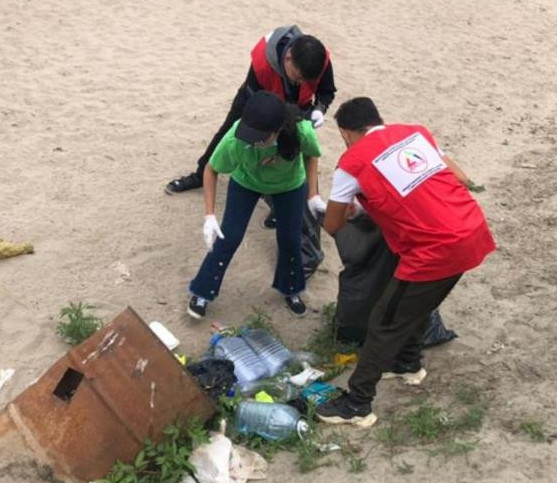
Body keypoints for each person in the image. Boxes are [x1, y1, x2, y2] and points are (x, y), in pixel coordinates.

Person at [315, 98, 496, 427]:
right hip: (471, 229)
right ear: (378, 120)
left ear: (345, 133)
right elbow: (459, 176)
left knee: (384, 320)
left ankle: (357, 403)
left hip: (435, 249)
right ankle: (408, 363)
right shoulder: (415, 134)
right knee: (417, 303)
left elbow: (332, 224)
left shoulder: (351, 163)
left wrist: (356, 210)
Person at [186, 91, 324, 319]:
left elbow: (311, 156)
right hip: (246, 182)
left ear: (278, 129)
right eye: (249, 134)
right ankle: (202, 292)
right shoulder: (236, 140)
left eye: (259, 137)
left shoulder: (301, 131)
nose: (251, 141)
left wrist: (313, 194)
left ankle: (290, 289)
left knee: (290, 239)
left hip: (289, 185)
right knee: (228, 237)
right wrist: (209, 215)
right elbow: (211, 169)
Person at [166, 25, 336, 195]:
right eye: (298, 78)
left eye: (307, 81)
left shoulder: (319, 61)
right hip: (257, 100)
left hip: (298, 107)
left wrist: (319, 108)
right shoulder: (262, 63)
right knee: (229, 131)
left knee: (294, 145)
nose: (301, 83)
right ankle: (200, 174)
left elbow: (327, 90)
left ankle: (290, 195)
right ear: (288, 58)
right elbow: (256, 103)